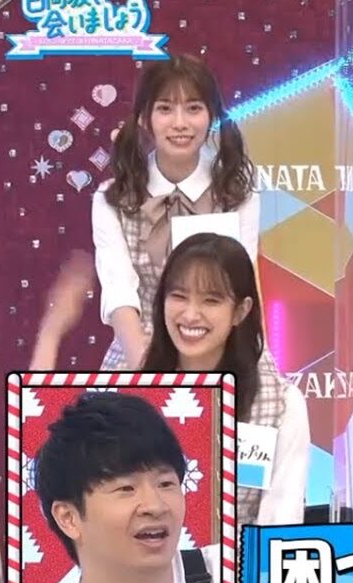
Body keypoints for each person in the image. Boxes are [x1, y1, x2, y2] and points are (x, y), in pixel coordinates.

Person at [32, 234, 309, 526]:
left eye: (211, 300)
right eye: (179, 296)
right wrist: (51, 333)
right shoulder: (123, 385)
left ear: (241, 310)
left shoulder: (279, 406)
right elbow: (66, 468)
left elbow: (280, 524)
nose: (190, 315)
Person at [92, 53, 262, 372]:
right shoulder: (112, 199)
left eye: (193, 108)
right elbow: (119, 294)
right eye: (165, 109)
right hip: (140, 352)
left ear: (211, 116)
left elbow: (239, 287)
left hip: (221, 350)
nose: (180, 123)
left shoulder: (238, 195)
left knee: (270, 398)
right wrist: (153, 377)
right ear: (144, 119)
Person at [36, 392, 218, 583]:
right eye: (126, 488)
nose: (156, 506)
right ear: (68, 518)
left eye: (165, 484)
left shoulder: (238, 576)